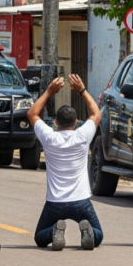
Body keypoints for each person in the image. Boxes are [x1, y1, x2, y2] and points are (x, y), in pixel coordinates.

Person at [27, 74, 105, 251]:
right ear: (76, 123)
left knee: (40, 238)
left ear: (56, 123)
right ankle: (88, 232)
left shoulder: (49, 137)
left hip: (55, 202)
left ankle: (55, 230)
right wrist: (82, 90)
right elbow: (96, 113)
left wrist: (49, 91)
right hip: (81, 201)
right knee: (98, 235)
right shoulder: (82, 136)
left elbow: (32, 113)